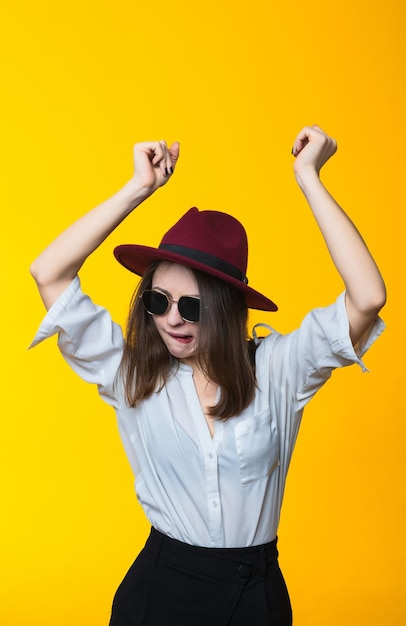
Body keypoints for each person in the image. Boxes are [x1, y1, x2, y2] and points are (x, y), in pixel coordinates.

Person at [30, 125, 386, 626]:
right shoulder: (132, 376)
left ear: (225, 308)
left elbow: (367, 297)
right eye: (158, 301)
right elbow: (50, 273)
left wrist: (310, 178)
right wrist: (138, 189)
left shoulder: (278, 369)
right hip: (160, 592)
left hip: (255, 598)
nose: (172, 319)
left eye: (192, 306)